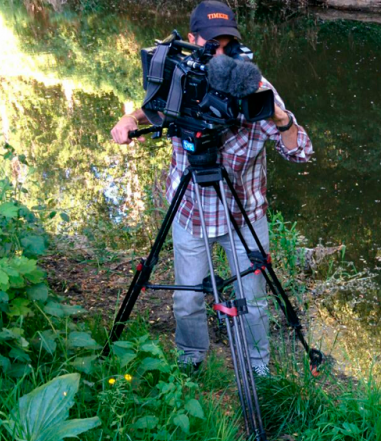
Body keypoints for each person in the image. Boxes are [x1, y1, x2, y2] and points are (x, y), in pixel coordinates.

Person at [110, 0, 313, 375]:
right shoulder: (181, 77)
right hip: (190, 208)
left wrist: (279, 116)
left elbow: (302, 153)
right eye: (212, 44)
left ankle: (258, 368)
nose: (221, 53)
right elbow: (153, 108)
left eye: (228, 45)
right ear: (192, 40)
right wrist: (129, 119)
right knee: (187, 299)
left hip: (244, 213)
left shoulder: (252, 84)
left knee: (253, 299)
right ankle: (191, 361)